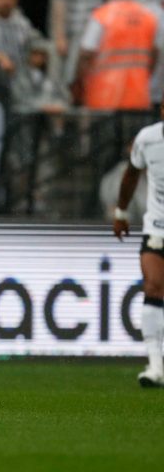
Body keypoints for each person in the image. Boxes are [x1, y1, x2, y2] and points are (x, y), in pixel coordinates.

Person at [113, 101, 164, 388]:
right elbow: (132, 173)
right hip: (157, 226)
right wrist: (121, 212)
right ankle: (155, 367)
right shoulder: (147, 139)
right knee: (154, 286)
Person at [73, 0, 161, 110]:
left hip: (103, 97)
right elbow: (155, 53)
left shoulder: (102, 15)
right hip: (138, 98)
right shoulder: (148, 17)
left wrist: (78, 84)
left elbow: (86, 53)